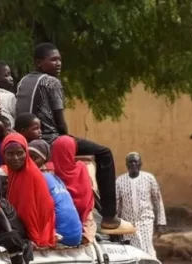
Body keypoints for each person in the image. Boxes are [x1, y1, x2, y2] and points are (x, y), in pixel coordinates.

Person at [16, 42, 129, 233]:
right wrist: (67, 139)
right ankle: (110, 217)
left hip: (26, 137)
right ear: (39, 62)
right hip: (50, 139)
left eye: (59, 59)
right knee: (104, 153)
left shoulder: (23, 81)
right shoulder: (52, 82)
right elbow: (60, 122)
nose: (58, 63)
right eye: (53, 59)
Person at [1, 133, 57, 248]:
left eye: (20, 153)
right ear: (3, 154)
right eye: (10, 154)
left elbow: (29, 212)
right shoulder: (15, 173)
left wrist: (33, 241)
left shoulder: (29, 174)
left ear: (26, 153)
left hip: (36, 236)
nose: (15, 158)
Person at [26, 140, 82, 246]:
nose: (30, 161)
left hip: (60, 236)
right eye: (28, 157)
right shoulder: (55, 178)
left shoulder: (37, 178)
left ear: (44, 160)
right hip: (76, 235)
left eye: (34, 158)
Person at [116, 152, 167, 256]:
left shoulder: (149, 178)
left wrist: (160, 223)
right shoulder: (120, 181)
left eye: (136, 162)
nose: (133, 164)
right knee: (130, 250)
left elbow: (158, 200)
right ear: (127, 165)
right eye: (130, 162)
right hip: (127, 222)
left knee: (146, 248)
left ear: (140, 164)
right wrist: (116, 223)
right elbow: (117, 204)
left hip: (145, 221)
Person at [51, 136, 96, 242]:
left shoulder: (49, 173)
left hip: (59, 228)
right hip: (84, 227)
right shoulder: (82, 168)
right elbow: (86, 201)